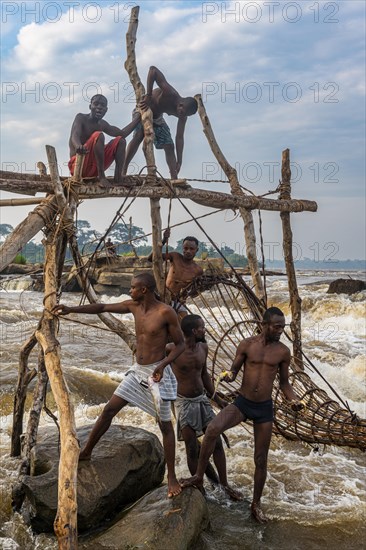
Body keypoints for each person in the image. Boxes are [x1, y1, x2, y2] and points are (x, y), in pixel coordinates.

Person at [52, 272, 185, 498]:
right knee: (109, 409)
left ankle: (171, 476)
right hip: (137, 372)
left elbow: (181, 345)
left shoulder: (165, 312)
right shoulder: (133, 306)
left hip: (157, 374)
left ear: (144, 290)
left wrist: (163, 365)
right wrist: (71, 309)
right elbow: (101, 307)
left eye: (133, 287)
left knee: (165, 426)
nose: (130, 290)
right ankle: (86, 451)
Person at [181, 307, 305, 522]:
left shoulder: (283, 352)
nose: (280, 331)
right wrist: (229, 376)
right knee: (212, 430)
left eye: (282, 328)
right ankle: (199, 477)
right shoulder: (247, 345)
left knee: (260, 459)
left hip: (264, 408)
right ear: (264, 325)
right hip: (243, 403)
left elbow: (285, 383)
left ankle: (256, 505)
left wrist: (293, 400)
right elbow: (234, 371)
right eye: (277, 327)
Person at [168, 315, 242, 501]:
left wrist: (217, 399)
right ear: (194, 331)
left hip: (202, 400)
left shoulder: (203, 347)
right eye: (202, 327)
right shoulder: (172, 349)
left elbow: (204, 375)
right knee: (192, 448)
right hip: (183, 402)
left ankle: (224, 485)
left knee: (215, 442)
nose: (204, 330)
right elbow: (159, 370)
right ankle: (200, 488)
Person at [123, 66, 198, 179]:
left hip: (157, 118)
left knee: (169, 145)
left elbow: (179, 137)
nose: (181, 115)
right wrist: (148, 95)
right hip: (143, 109)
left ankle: (174, 178)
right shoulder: (170, 93)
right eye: (182, 112)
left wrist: (180, 160)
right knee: (139, 136)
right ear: (181, 104)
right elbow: (153, 70)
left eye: (185, 115)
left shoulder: (183, 115)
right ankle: (123, 171)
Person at [68, 94, 140, 188]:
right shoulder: (81, 118)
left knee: (120, 140)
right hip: (79, 166)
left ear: (106, 110)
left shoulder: (103, 124)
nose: (99, 108)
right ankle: (102, 177)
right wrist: (78, 146)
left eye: (102, 105)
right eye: (96, 104)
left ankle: (118, 178)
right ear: (90, 107)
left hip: (94, 168)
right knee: (98, 135)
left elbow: (122, 133)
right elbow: (75, 134)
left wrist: (138, 118)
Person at [148, 228, 203, 317]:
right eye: (186, 248)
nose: (188, 251)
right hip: (162, 299)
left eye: (191, 249)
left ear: (196, 250)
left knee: (186, 325)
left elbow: (194, 292)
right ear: (182, 249)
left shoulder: (198, 270)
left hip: (178, 304)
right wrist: (164, 240)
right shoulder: (175, 257)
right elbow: (151, 258)